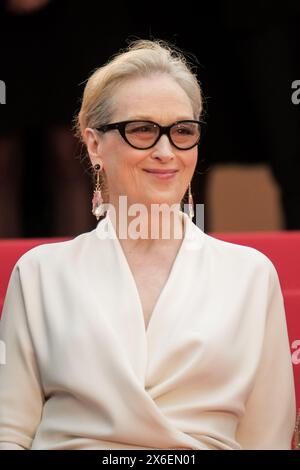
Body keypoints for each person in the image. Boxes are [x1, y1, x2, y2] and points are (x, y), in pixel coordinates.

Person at [0, 39, 296, 450]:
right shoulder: (38, 273)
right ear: (94, 144)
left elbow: (268, 438)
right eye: (141, 130)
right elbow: (8, 431)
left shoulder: (251, 275)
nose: (165, 151)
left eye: (182, 131)